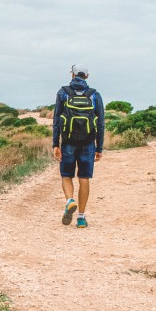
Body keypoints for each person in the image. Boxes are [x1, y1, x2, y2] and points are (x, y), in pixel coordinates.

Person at [51, 65, 104, 228]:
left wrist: (55, 144)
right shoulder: (94, 94)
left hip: (68, 142)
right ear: (87, 76)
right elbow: (101, 123)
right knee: (84, 178)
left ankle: (69, 201)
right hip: (88, 143)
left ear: (72, 74)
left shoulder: (63, 93)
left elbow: (56, 121)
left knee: (66, 176)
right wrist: (99, 147)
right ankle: (81, 217)